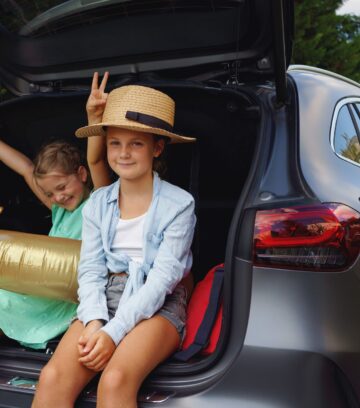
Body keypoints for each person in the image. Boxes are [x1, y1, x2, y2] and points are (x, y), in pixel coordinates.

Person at [32, 84, 197, 407]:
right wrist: (94, 320)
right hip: (104, 297)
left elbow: (163, 280)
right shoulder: (97, 202)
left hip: (159, 303)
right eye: (115, 143)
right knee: (52, 378)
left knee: (116, 378)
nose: (123, 153)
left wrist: (113, 332)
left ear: (157, 148)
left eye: (136, 143)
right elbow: (91, 270)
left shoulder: (180, 204)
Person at [0, 139, 91, 348]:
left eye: (62, 187)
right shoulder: (59, 211)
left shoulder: (98, 205)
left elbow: (97, 163)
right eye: (49, 194)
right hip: (45, 290)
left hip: (66, 299)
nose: (58, 197)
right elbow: (25, 168)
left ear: (82, 174)